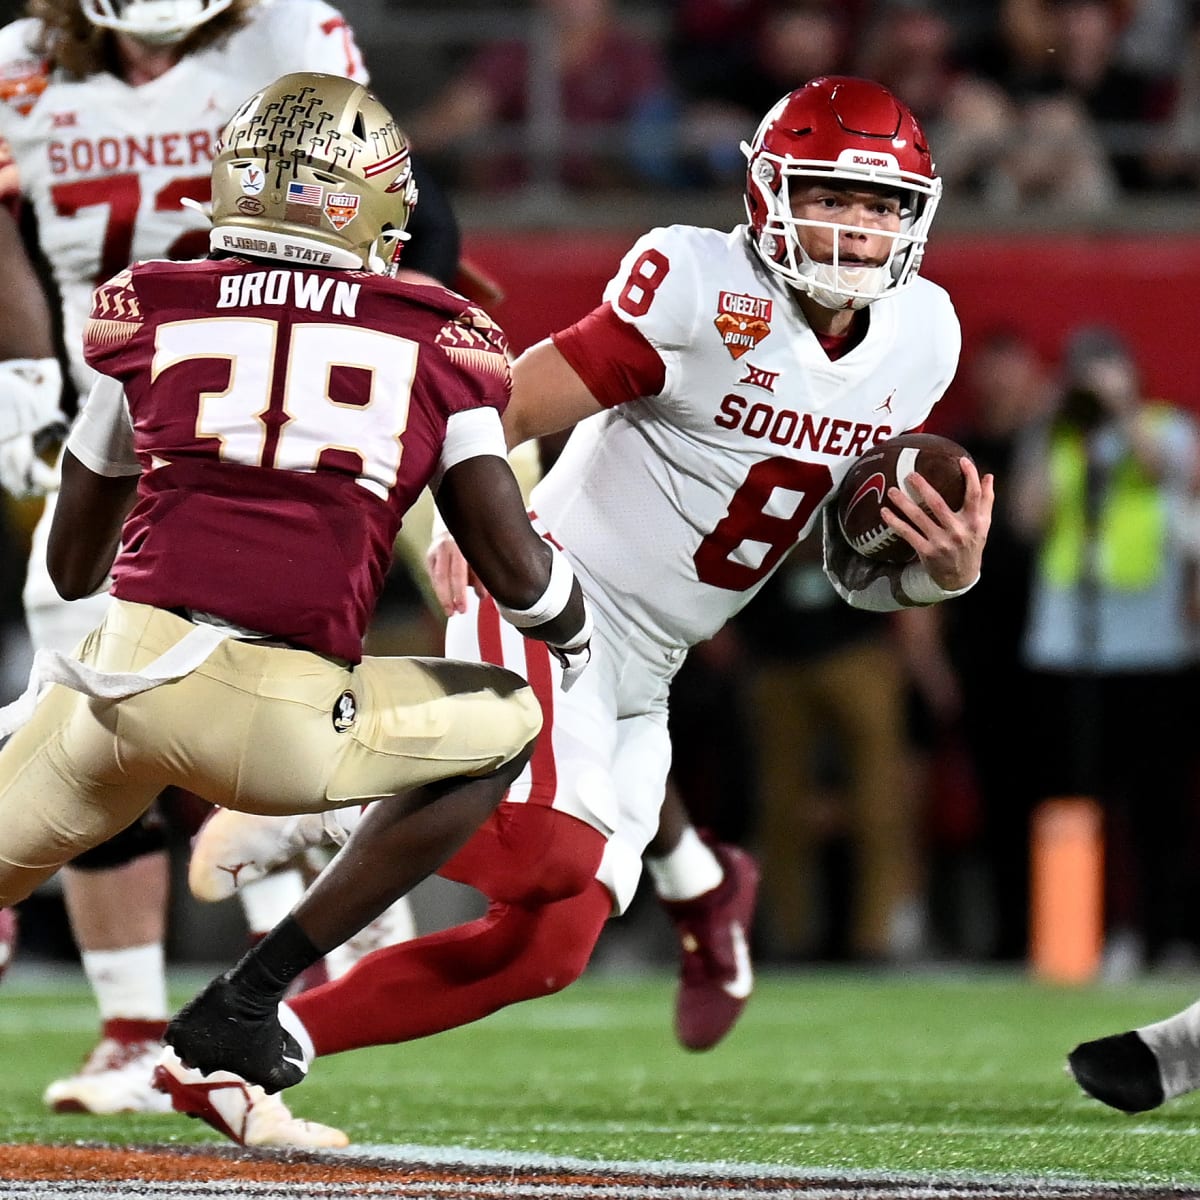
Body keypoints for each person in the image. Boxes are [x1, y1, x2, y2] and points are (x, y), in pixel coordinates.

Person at [153, 74, 994, 1141]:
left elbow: (848, 555)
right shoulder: (697, 283)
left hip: (652, 664)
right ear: (772, 192)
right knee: (547, 847)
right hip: (556, 591)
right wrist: (464, 514)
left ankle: (234, 1059)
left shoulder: (924, 336)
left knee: (546, 950)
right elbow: (497, 403)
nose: (856, 228)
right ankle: (324, 822)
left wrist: (943, 570)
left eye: (881, 207)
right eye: (832, 194)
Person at [0, 68, 594, 1147]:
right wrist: (575, 623)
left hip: (116, 684)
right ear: (366, 201)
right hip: (277, 717)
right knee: (507, 718)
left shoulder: (149, 304)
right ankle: (247, 997)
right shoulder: (436, 334)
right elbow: (514, 566)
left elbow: (76, 560)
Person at [1010, 324, 1200, 979]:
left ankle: (1162, 934)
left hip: (1149, 644)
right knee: (1076, 794)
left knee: (1157, 803)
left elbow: (1165, 474)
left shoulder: (1167, 426)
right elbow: (1026, 520)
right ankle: (1080, 931)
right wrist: (1053, 430)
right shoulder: (1057, 435)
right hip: (1068, 645)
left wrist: (1122, 415)